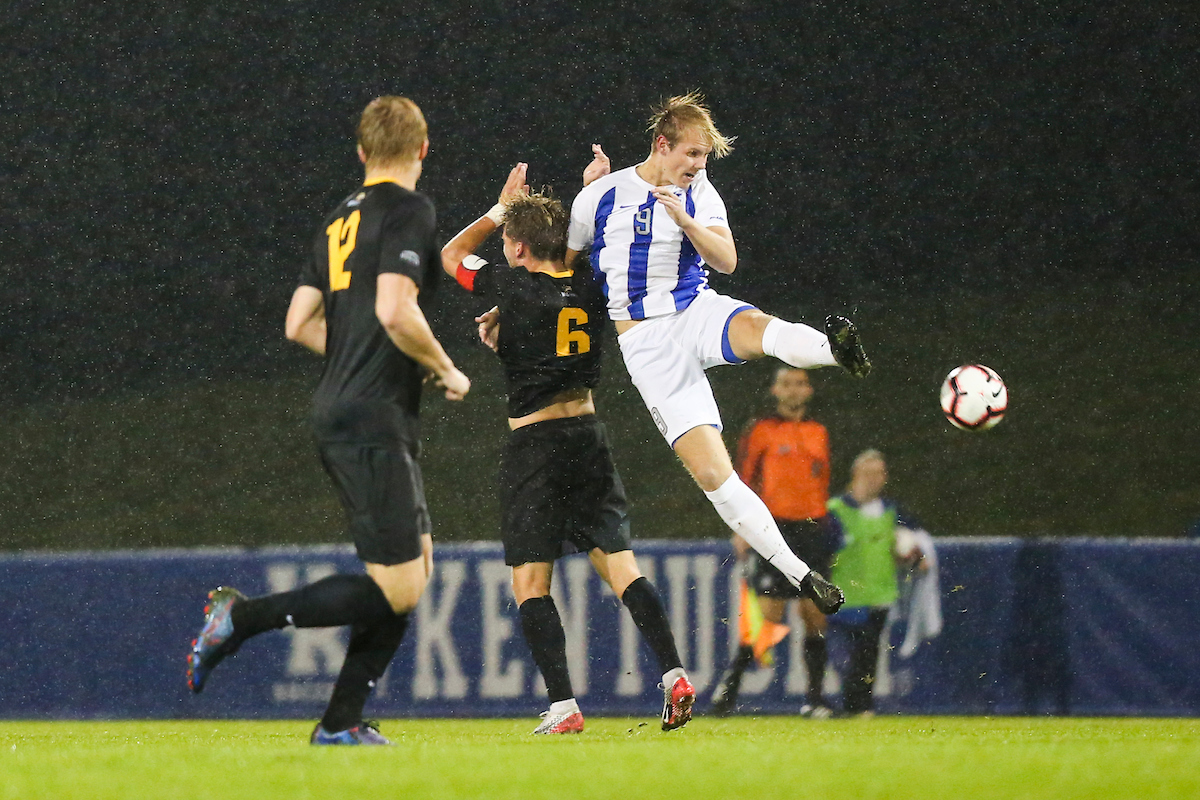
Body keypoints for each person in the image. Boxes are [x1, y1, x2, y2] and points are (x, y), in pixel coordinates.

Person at [186, 96, 470, 745]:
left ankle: (340, 724)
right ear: (423, 149)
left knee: (415, 569)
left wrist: (358, 357)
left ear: (362, 153)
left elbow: (298, 323)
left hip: (348, 408)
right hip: (371, 416)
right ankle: (241, 618)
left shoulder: (338, 220)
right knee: (400, 588)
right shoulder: (409, 210)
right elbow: (396, 310)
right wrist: (443, 366)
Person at [565, 92, 868, 616]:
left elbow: (726, 260)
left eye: (704, 157)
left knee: (757, 327)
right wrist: (507, 307)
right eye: (692, 154)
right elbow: (563, 266)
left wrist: (687, 221)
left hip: (695, 310)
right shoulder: (600, 195)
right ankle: (801, 573)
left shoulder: (699, 192)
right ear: (662, 144)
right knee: (712, 474)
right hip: (647, 344)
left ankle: (836, 352)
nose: (699, 166)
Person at [440, 163, 695, 734]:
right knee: (622, 568)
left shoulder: (513, 286)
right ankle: (675, 673)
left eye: (509, 242)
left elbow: (451, 256)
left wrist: (498, 211)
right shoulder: (589, 281)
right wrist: (593, 191)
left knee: (531, 582)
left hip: (535, 445)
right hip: (588, 436)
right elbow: (578, 259)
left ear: (519, 246)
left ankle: (564, 706)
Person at [709, 367, 840, 717]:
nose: (793, 390)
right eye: (786, 383)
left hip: (812, 530)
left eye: (800, 383)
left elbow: (822, 481)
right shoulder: (762, 430)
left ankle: (814, 700)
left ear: (809, 390)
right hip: (775, 529)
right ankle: (728, 690)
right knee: (769, 615)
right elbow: (743, 480)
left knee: (815, 614)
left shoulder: (819, 431)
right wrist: (741, 528)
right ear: (775, 390)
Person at [825, 449, 927, 716]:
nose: (874, 479)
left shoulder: (892, 511)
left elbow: (912, 546)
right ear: (855, 474)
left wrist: (915, 557)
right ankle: (847, 705)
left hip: (878, 595)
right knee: (843, 659)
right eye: (868, 473)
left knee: (868, 655)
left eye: (879, 473)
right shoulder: (834, 511)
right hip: (841, 597)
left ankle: (861, 709)